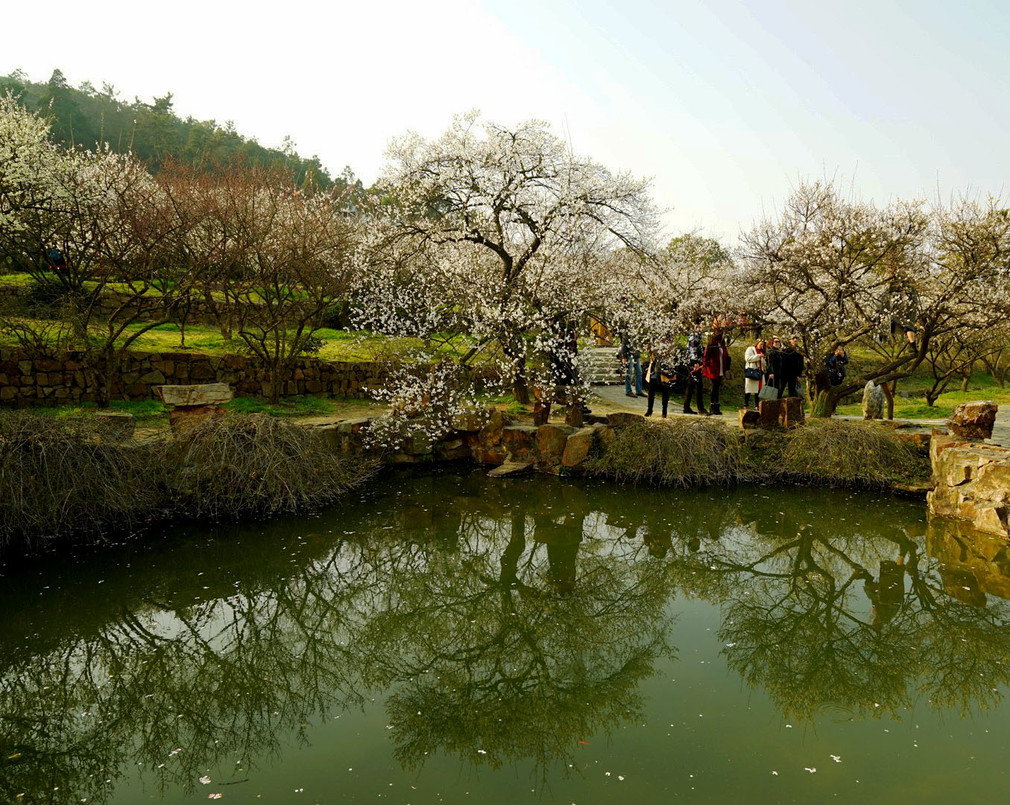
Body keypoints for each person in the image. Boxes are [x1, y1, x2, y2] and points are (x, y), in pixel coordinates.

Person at [702, 330, 729, 416]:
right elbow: (706, 356)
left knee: (717, 388)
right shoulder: (712, 343)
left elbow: (726, 356)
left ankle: (716, 407)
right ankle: (712, 406)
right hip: (713, 369)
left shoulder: (722, 344)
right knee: (714, 388)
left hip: (720, 368)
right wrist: (706, 366)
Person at [683, 322, 706, 415]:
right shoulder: (694, 336)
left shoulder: (698, 335)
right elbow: (693, 350)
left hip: (696, 362)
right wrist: (696, 362)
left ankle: (687, 406)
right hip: (694, 363)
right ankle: (700, 408)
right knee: (697, 385)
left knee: (692, 385)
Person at [644, 342, 673, 417]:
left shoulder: (669, 342)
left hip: (665, 369)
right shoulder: (653, 340)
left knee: (665, 390)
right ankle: (649, 410)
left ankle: (664, 411)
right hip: (654, 369)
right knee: (651, 391)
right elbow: (649, 350)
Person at [777, 334, 805, 398]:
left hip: (794, 374)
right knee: (781, 389)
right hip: (784, 373)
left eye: (796, 338)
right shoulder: (785, 351)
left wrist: (799, 374)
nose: (795, 340)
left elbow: (801, 363)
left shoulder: (800, 351)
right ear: (790, 340)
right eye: (793, 338)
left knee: (792, 390)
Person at [618, 334, 644, 398]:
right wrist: (624, 357)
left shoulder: (637, 334)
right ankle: (628, 391)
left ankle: (639, 391)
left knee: (639, 372)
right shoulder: (627, 334)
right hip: (629, 355)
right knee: (629, 373)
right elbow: (624, 345)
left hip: (636, 355)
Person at [743, 338, 765, 409]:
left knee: (758, 389)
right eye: (760, 344)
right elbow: (747, 358)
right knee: (749, 388)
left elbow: (763, 363)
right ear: (757, 343)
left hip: (760, 372)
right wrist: (758, 356)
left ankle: (757, 405)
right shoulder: (750, 349)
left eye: (763, 345)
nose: (761, 346)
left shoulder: (762, 351)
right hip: (752, 370)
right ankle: (746, 404)